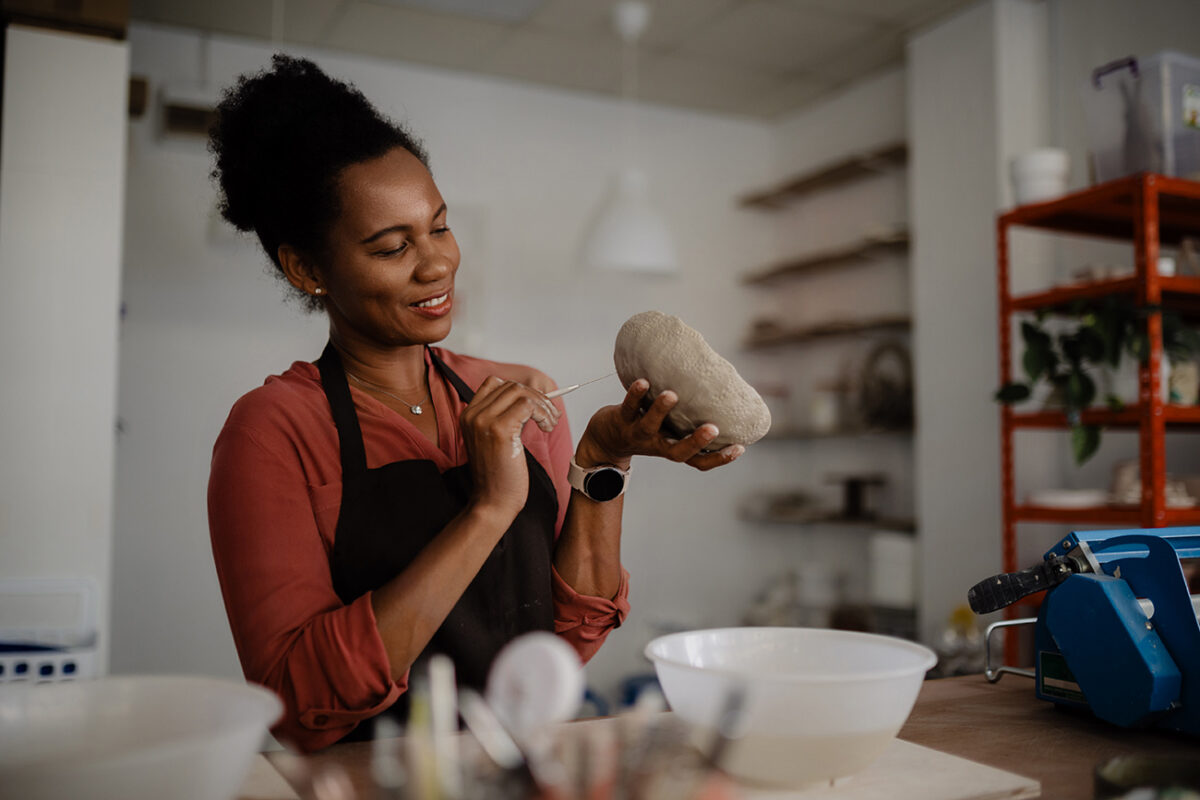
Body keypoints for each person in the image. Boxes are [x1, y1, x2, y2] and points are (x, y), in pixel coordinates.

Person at [205, 55, 744, 753]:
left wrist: (601, 460)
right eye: (392, 246)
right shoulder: (273, 431)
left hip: (521, 771)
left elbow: (562, 643)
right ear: (308, 269)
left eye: (439, 226)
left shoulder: (520, 394)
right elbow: (298, 702)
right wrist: (488, 509)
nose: (436, 264)